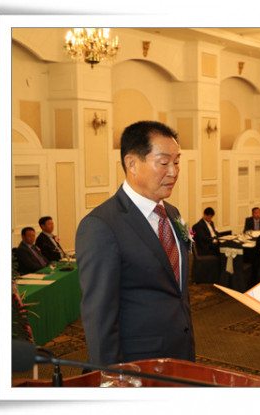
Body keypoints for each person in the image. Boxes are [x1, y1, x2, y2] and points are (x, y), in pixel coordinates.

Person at [76, 121, 195, 366]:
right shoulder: (102, 226)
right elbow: (99, 316)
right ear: (131, 163)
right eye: (164, 163)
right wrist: (111, 376)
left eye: (176, 162)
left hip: (181, 352)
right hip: (138, 362)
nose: (173, 172)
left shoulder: (173, 214)